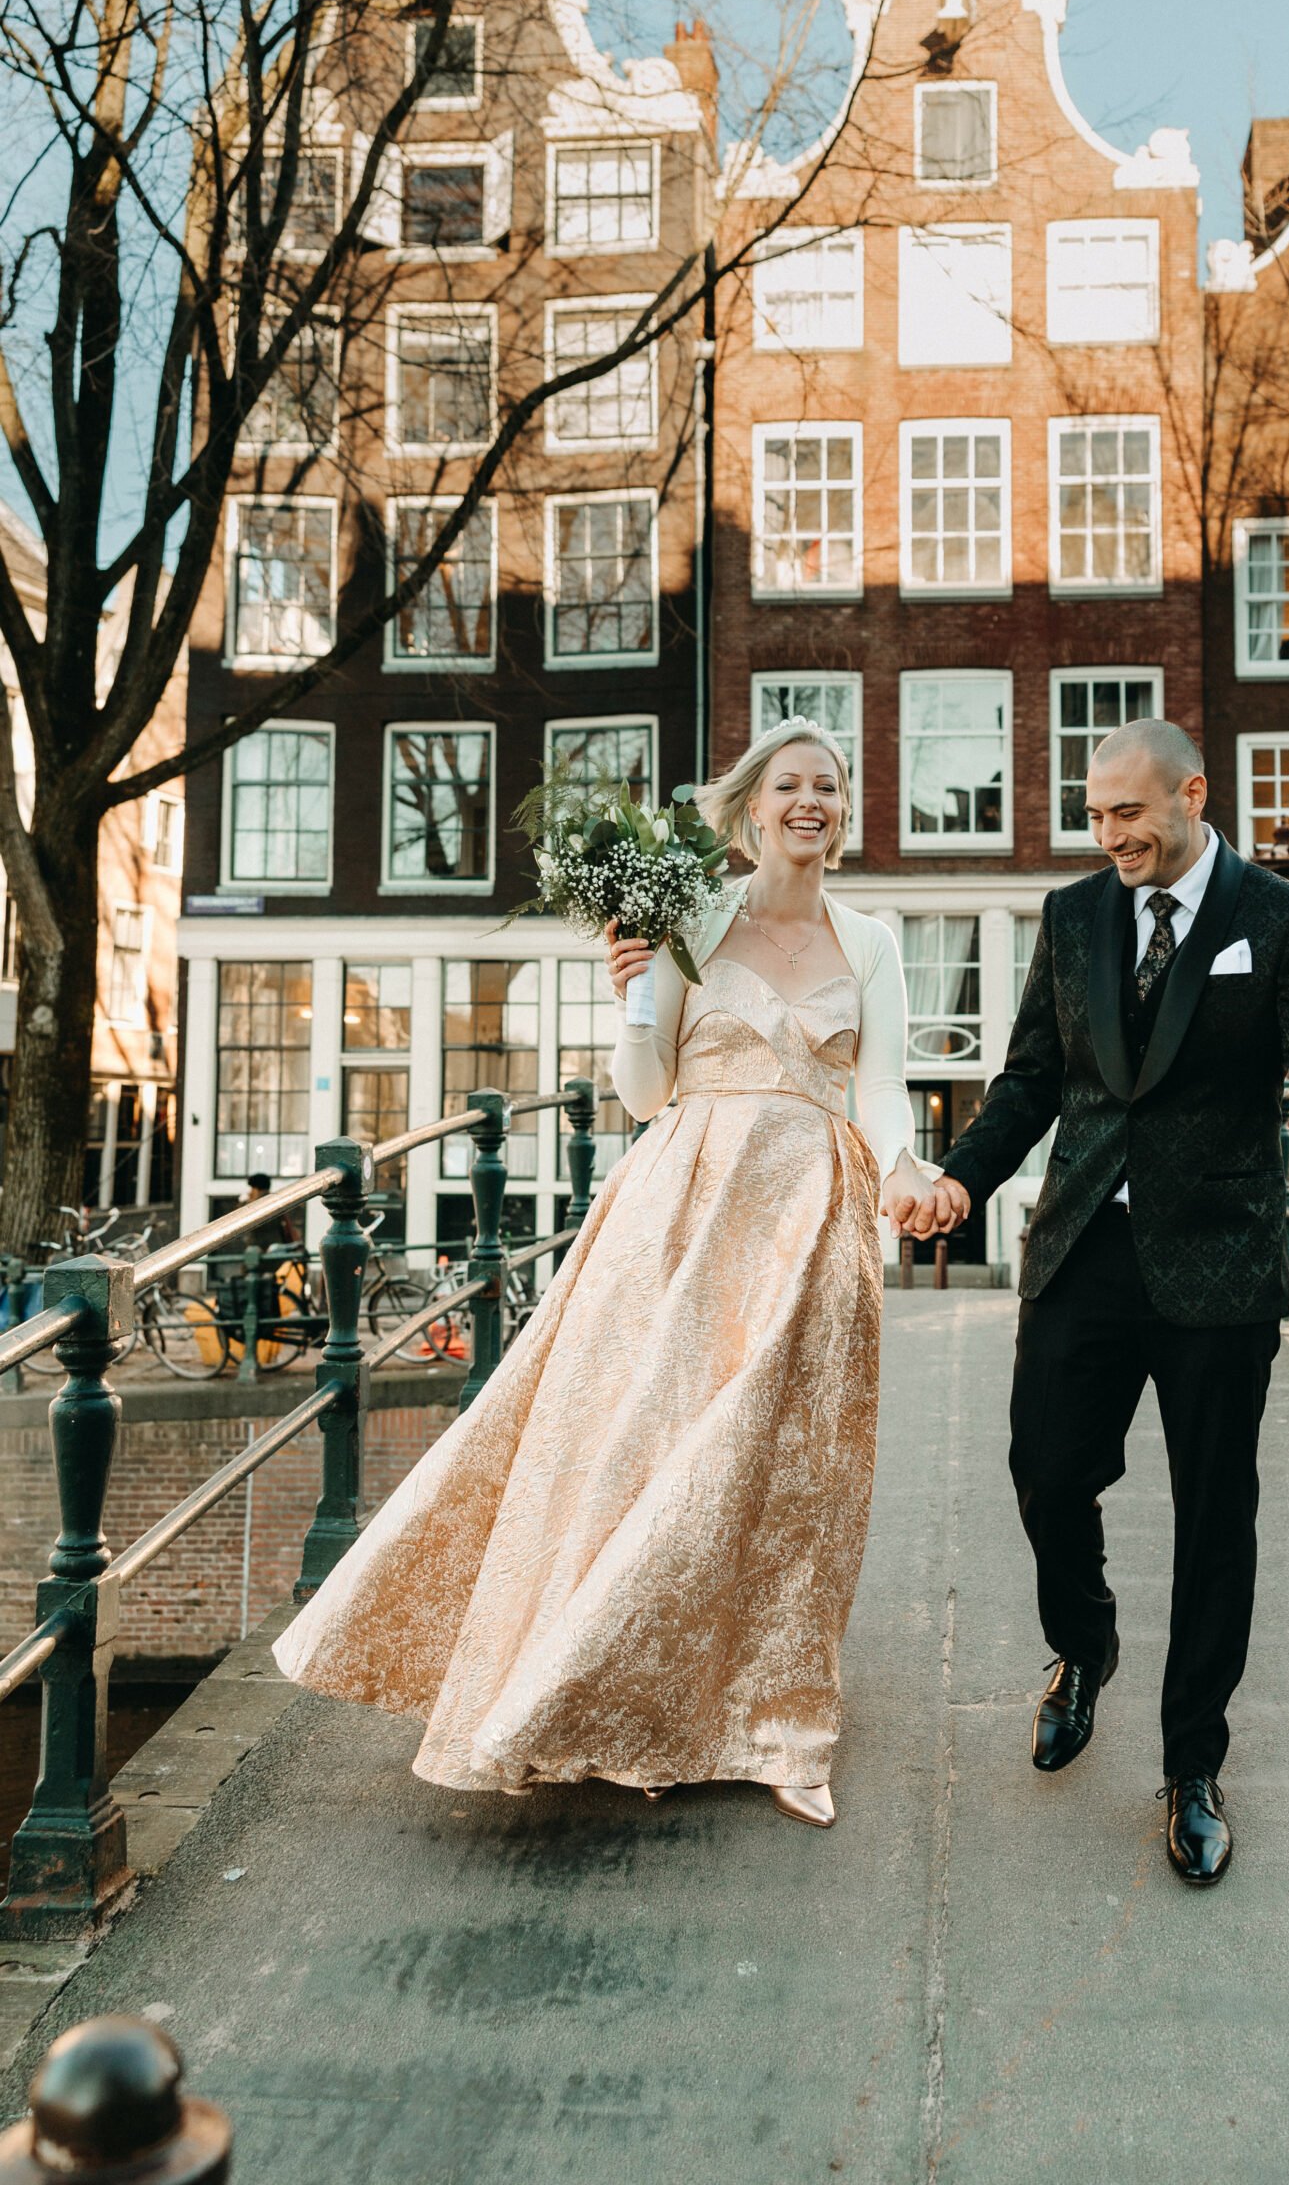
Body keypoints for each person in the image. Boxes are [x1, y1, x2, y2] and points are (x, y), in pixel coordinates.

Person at [275, 721, 936, 1830]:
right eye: (791, 785)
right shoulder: (689, 917)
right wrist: (627, 987)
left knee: (793, 1475)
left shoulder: (868, 940)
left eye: (829, 784)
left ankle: (785, 1724)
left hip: (813, 1214)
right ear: (752, 805)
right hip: (680, 1210)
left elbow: (881, 1084)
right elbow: (641, 1093)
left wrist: (906, 1161)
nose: (811, 801)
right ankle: (638, 1710)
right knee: (652, 1450)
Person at [891, 718, 1289, 1887]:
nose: (1109, 835)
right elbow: (1029, 1083)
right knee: (1046, 1471)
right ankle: (1083, 1642)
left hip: (1218, 1264)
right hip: (1081, 1250)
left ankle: (1192, 1764)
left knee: (1218, 1517)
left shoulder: (1279, 918)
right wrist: (962, 1178)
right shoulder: (1073, 916)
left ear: (1192, 794)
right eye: (1096, 815)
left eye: (1130, 814)